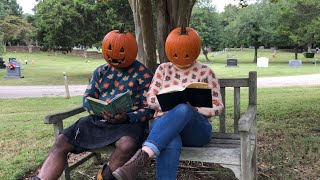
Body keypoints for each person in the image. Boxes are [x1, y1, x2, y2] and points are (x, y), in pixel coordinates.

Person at [32, 26, 154, 180]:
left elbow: (149, 109)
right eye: (110, 48)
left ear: (132, 50)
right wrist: (97, 109)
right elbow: (87, 98)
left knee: (127, 144)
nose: (115, 54)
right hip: (98, 119)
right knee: (61, 141)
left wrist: (127, 117)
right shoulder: (100, 71)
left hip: (128, 123)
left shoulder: (144, 74)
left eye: (121, 50)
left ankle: (103, 177)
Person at [112, 27, 224, 179]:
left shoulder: (205, 72)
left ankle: (143, 155)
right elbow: (150, 99)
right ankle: (142, 158)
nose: (182, 59)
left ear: (196, 50)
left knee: (183, 108)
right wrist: (168, 102)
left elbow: (218, 106)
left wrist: (194, 109)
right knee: (170, 137)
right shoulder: (163, 69)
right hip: (163, 125)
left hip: (195, 131)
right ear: (168, 50)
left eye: (187, 53)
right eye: (176, 54)